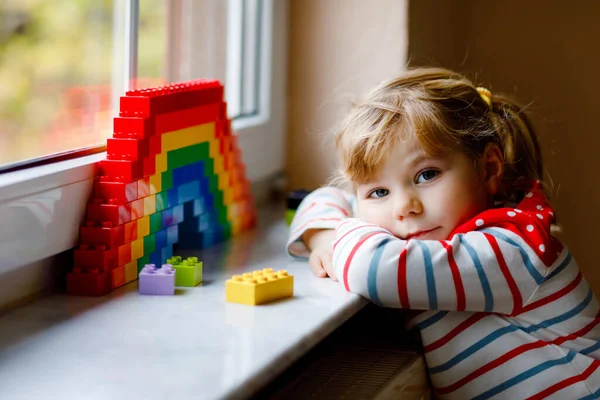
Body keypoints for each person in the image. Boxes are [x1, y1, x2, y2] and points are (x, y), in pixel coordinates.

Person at [286, 67, 600, 399]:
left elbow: (371, 268)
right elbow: (326, 197)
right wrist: (321, 236)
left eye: (426, 175)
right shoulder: (428, 231)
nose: (404, 207)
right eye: (379, 192)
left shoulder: (513, 248)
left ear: (488, 168)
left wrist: (335, 236)